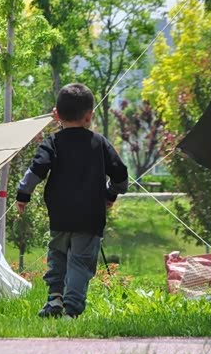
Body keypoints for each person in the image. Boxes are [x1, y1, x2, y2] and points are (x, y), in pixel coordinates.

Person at [16, 83, 128, 319]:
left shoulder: (53, 142)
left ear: (57, 114)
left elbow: (36, 169)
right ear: (89, 116)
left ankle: (55, 297)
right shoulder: (99, 143)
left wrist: (23, 194)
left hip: (60, 214)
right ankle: (72, 308)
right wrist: (110, 194)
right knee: (80, 262)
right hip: (90, 217)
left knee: (57, 255)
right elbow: (120, 173)